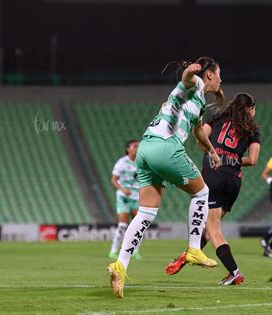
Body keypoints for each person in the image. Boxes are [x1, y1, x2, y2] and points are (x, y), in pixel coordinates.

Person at [107, 57, 224, 299]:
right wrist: (190, 73)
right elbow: (186, 80)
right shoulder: (197, 86)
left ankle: (119, 266)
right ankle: (193, 248)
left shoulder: (197, 102)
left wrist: (211, 151)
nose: (221, 79)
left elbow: (198, 130)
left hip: (146, 148)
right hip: (165, 147)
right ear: (210, 75)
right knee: (202, 192)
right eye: (219, 74)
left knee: (146, 213)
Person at [165, 93, 260, 286]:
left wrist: (212, 152)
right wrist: (232, 159)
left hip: (214, 174)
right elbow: (253, 160)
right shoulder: (253, 130)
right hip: (233, 181)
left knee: (212, 228)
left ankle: (234, 272)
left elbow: (199, 134)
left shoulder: (218, 119)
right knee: (209, 228)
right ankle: (185, 257)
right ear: (250, 109)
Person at [108, 139, 142, 260]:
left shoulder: (141, 162)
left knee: (139, 225)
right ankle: (113, 251)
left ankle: (135, 251)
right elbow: (114, 179)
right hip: (124, 197)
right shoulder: (122, 162)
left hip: (136, 197)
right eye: (135, 146)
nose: (137, 148)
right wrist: (122, 189)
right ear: (128, 149)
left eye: (138, 146)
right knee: (123, 225)